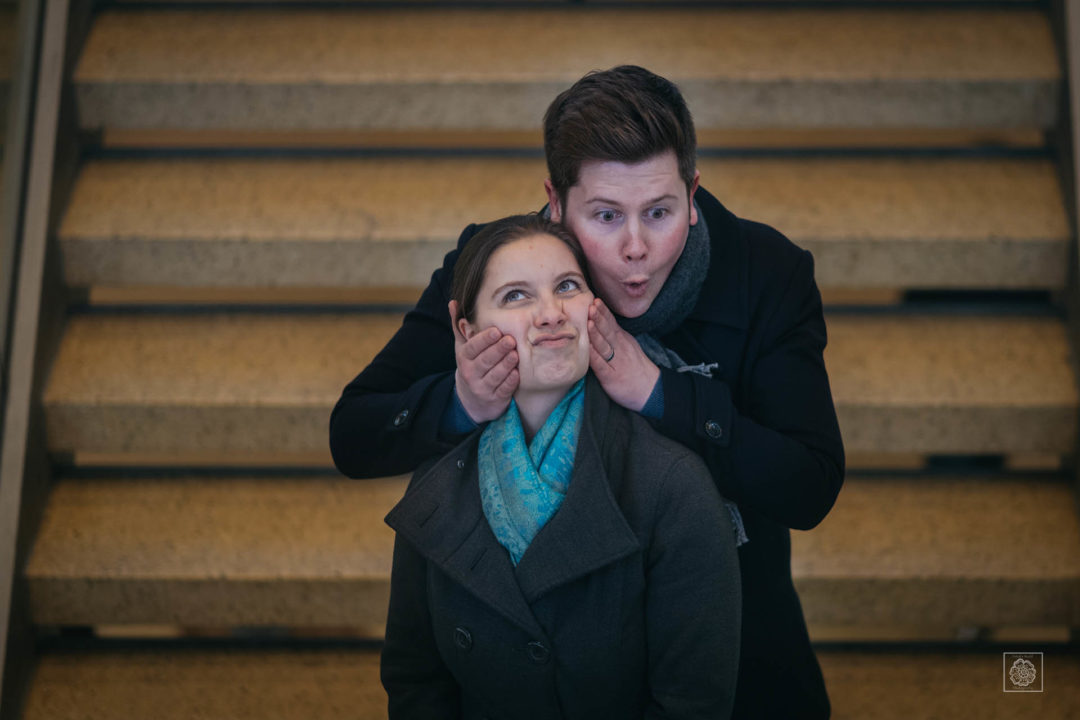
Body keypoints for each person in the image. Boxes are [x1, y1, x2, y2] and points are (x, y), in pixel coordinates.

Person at [331, 65, 845, 718]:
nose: (635, 249)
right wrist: (466, 402)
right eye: (604, 216)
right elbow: (355, 434)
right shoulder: (500, 266)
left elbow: (810, 485)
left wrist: (659, 393)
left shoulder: (768, 273)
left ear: (693, 194)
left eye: (659, 212)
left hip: (735, 635)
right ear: (556, 201)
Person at [380, 214, 741, 719]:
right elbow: (415, 683)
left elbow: (693, 702)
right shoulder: (437, 484)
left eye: (567, 287)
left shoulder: (671, 485)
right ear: (467, 330)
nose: (551, 314)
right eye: (516, 296)